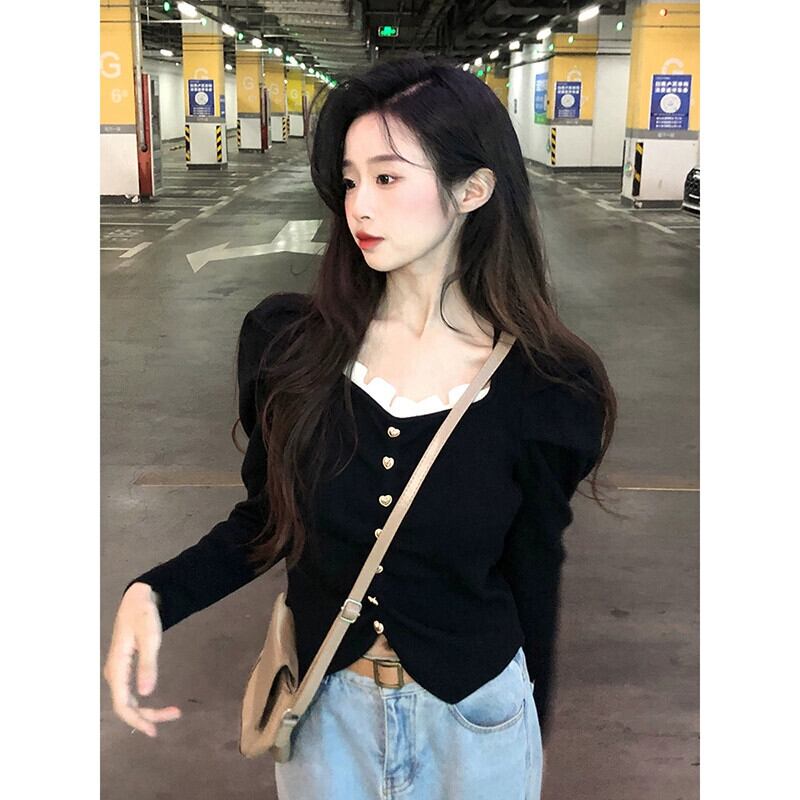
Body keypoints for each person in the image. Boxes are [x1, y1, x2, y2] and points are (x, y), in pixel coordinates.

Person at [103, 56, 617, 799]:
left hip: (475, 722)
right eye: (349, 181)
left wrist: (527, 726)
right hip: (325, 715)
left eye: (387, 177)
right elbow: (268, 521)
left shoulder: (546, 387)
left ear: (472, 189)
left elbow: (534, 570)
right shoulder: (292, 347)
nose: (359, 207)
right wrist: (154, 593)